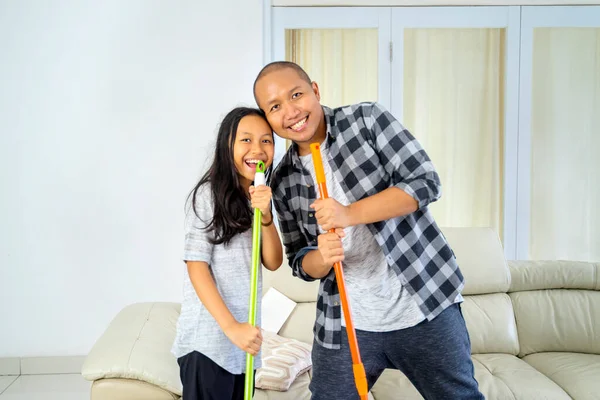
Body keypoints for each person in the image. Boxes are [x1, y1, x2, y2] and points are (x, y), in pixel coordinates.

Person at [253, 61, 484, 400]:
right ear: (269, 118)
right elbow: (300, 263)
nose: (290, 111)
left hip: (423, 305)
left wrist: (349, 213)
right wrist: (320, 256)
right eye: (275, 107)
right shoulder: (283, 179)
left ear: (315, 91)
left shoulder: (366, 121)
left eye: (296, 95)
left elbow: (425, 182)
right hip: (346, 322)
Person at [171, 107, 283, 400]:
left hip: (244, 343)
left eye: (266, 141)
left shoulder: (257, 199)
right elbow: (196, 266)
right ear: (227, 146)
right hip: (209, 343)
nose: (257, 149)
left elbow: (273, 261)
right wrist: (231, 327)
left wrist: (266, 215)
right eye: (246, 140)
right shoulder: (208, 195)